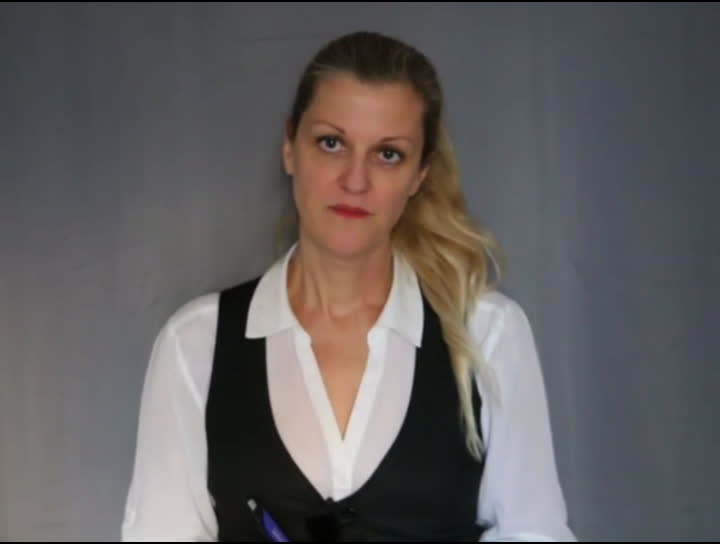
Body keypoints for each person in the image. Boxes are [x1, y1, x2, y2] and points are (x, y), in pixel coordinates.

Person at [121, 31, 576, 542]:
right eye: (331, 143)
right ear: (290, 146)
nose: (355, 181)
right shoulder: (196, 343)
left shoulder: (487, 334)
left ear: (420, 173)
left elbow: (533, 533)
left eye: (388, 154)